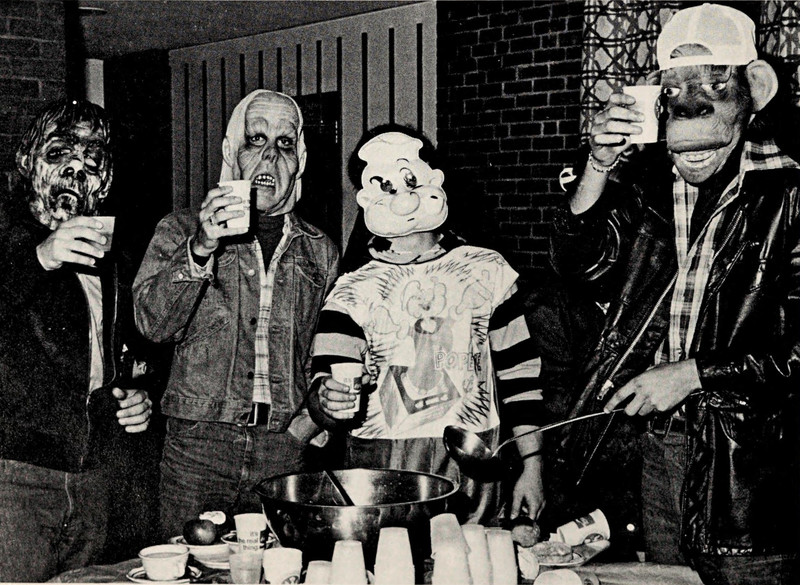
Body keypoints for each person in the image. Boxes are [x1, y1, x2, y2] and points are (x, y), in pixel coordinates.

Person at [550, 4, 800, 584]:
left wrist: (694, 374)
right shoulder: (651, 184)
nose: (688, 109)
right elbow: (579, 269)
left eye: (714, 87)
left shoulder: (789, 190)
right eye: (672, 92)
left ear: (756, 90)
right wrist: (598, 163)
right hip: (662, 448)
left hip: (754, 469)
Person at [308, 128, 545, 524]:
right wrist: (328, 399)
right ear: (365, 196)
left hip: (472, 471)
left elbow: (520, 376)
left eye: (411, 178)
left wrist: (532, 465)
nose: (403, 195)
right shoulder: (351, 291)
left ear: (435, 178)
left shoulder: (487, 272)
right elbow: (324, 389)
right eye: (385, 184)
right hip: (382, 475)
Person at [133, 89, 339, 539]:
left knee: (279, 567)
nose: (270, 156)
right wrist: (201, 247)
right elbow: (151, 324)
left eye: (285, 144)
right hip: (198, 447)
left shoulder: (321, 250)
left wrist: (302, 431)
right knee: (189, 565)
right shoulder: (180, 229)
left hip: (284, 448)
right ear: (231, 152)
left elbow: (323, 357)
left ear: (300, 160)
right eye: (255, 140)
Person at [0, 98, 153, 582]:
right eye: (59, 153)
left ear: (105, 181)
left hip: (94, 477)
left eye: (92, 160)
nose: (76, 170)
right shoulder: (7, 239)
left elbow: (127, 352)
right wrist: (41, 257)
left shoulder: (111, 257)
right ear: (27, 161)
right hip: (15, 477)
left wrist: (138, 394)